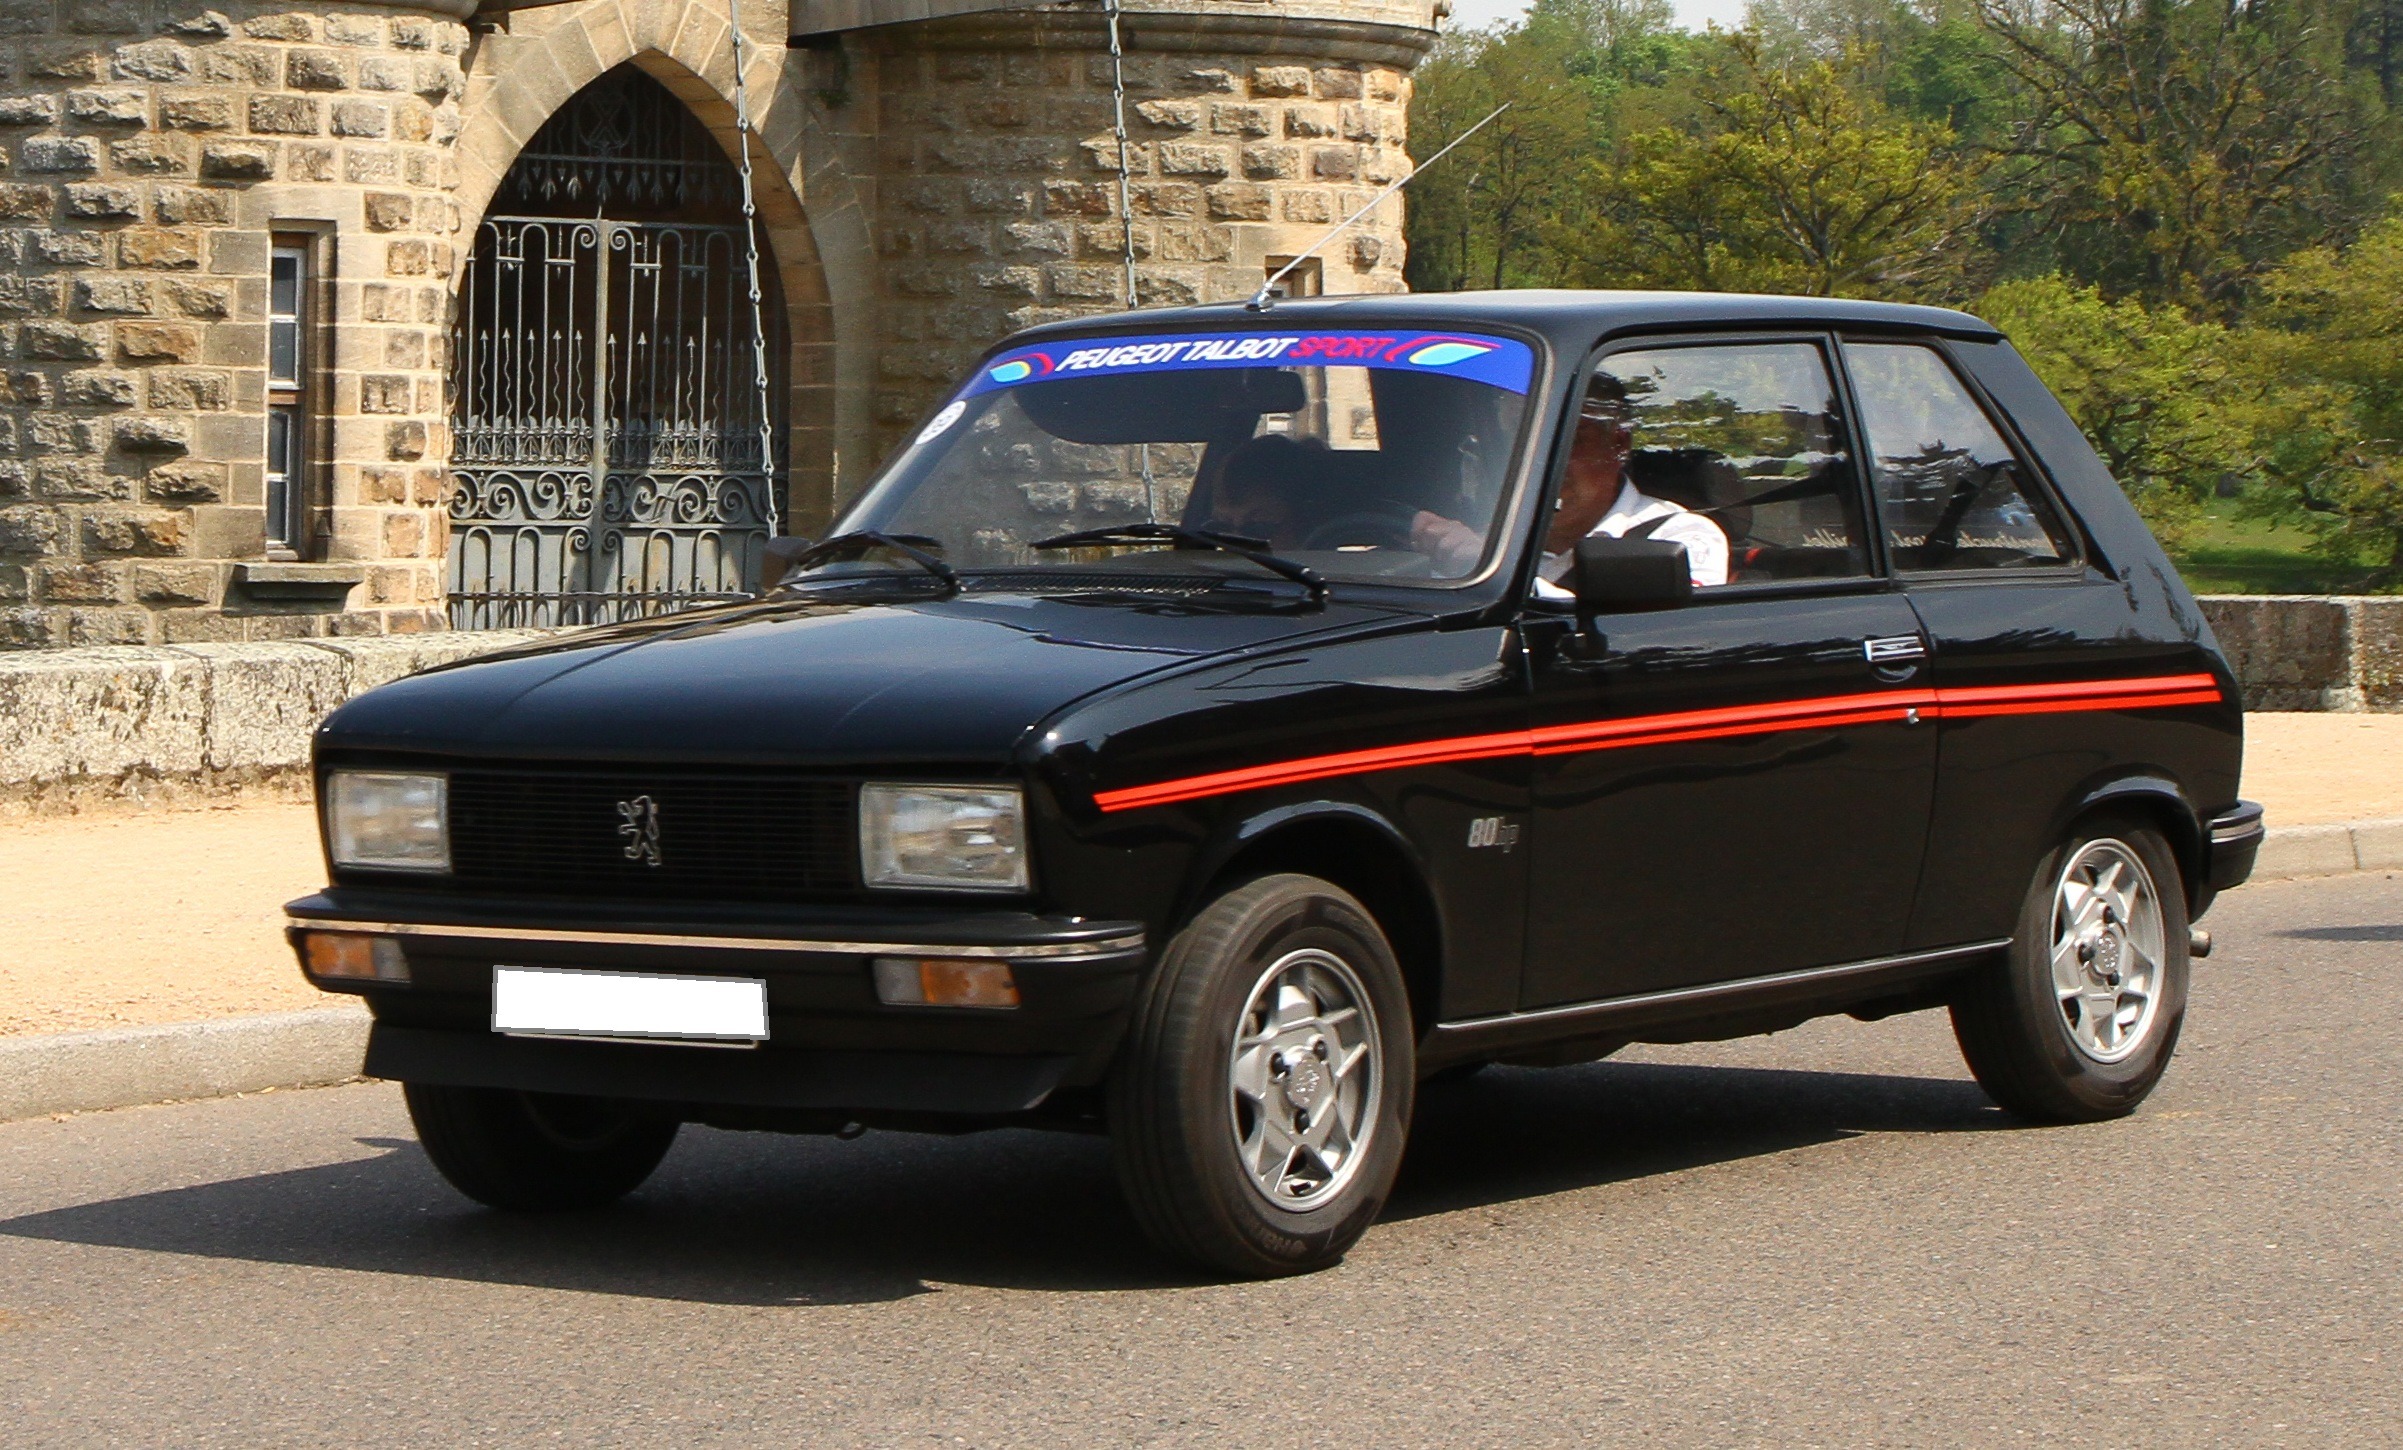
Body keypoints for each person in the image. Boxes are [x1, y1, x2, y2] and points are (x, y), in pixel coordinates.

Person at [1409, 377, 1730, 590]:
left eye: (1569, 440)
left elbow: (1651, 637)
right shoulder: (1489, 529)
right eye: (1522, 444)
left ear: (1618, 444)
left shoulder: (1680, 537)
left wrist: (1486, 570)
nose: (1542, 461)